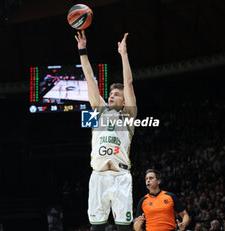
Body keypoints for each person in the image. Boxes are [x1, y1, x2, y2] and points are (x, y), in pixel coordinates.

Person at [75, 30, 137, 231]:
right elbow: (90, 79)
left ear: (124, 100)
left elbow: (128, 83)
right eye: (110, 93)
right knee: (96, 228)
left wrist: (123, 55)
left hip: (121, 177)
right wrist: (82, 52)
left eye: (116, 95)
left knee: (124, 228)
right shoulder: (100, 111)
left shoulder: (128, 116)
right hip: (99, 176)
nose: (111, 96)